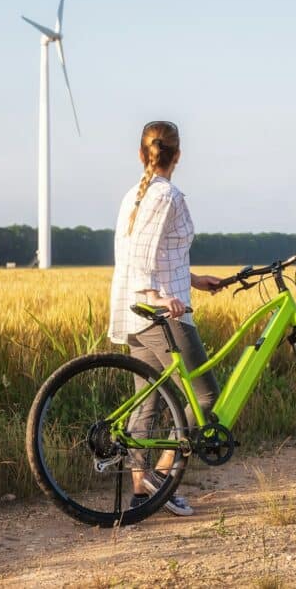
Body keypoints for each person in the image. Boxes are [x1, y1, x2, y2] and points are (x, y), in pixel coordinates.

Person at [107, 120, 222, 517]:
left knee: (148, 402)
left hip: (136, 311)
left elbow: (155, 254)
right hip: (161, 314)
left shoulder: (135, 196)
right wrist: (159, 296)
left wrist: (193, 279)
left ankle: (143, 493)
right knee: (204, 395)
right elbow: (141, 260)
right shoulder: (166, 196)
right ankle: (163, 473)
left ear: (142, 154)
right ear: (179, 155)